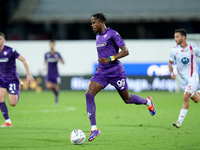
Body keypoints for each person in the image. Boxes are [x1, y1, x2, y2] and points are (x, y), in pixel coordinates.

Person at [86, 13, 156, 142]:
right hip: (102, 72)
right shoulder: (97, 37)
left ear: (101, 22)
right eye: (91, 23)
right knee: (89, 94)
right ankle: (94, 128)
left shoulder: (113, 33)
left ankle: (148, 102)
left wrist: (110, 59)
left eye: (94, 23)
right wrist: (101, 65)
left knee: (127, 99)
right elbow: (103, 54)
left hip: (116, 72)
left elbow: (125, 51)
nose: (92, 25)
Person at [0, 32, 35, 127]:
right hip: (1, 80)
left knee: (12, 103)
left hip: (12, 79)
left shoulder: (10, 51)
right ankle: (8, 121)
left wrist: (28, 74)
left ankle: (18, 86)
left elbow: (23, 60)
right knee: (0, 99)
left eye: (0, 39)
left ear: (4, 40)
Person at [169, 28, 200, 128]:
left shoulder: (194, 48)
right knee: (195, 99)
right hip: (183, 80)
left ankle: (179, 121)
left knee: (186, 97)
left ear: (183, 37)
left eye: (177, 37)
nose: (175, 39)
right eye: (174, 37)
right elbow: (170, 63)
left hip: (193, 77)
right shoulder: (174, 50)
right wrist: (171, 72)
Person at [44, 40, 64, 104]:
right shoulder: (46, 54)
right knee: (48, 86)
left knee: (56, 86)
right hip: (49, 73)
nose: (52, 46)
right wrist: (44, 67)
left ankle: (56, 99)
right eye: (51, 44)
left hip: (55, 73)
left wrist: (59, 60)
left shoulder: (57, 54)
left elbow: (63, 62)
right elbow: (45, 62)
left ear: (54, 45)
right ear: (50, 45)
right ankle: (55, 94)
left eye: (53, 44)